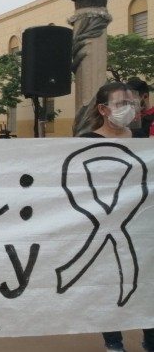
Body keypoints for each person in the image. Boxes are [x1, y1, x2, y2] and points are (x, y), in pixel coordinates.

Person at [78, 82, 153, 352]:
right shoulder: (84, 144)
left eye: (133, 104)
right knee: (108, 286)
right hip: (102, 228)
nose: (129, 109)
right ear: (103, 109)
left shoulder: (146, 141)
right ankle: (114, 343)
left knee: (148, 286)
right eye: (122, 104)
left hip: (144, 230)